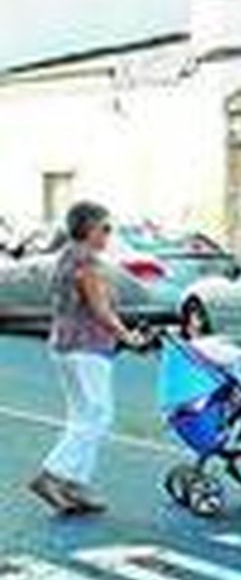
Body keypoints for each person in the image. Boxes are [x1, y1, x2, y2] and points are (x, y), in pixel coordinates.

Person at [27, 202, 148, 514]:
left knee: (82, 416)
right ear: (88, 229)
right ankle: (53, 475)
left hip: (64, 345)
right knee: (97, 414)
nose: (109, 234)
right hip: (86, 348)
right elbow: (101, 310)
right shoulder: (87, 263)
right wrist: (129, 337)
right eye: (104, 228)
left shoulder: (66, 256)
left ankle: (74, 484)